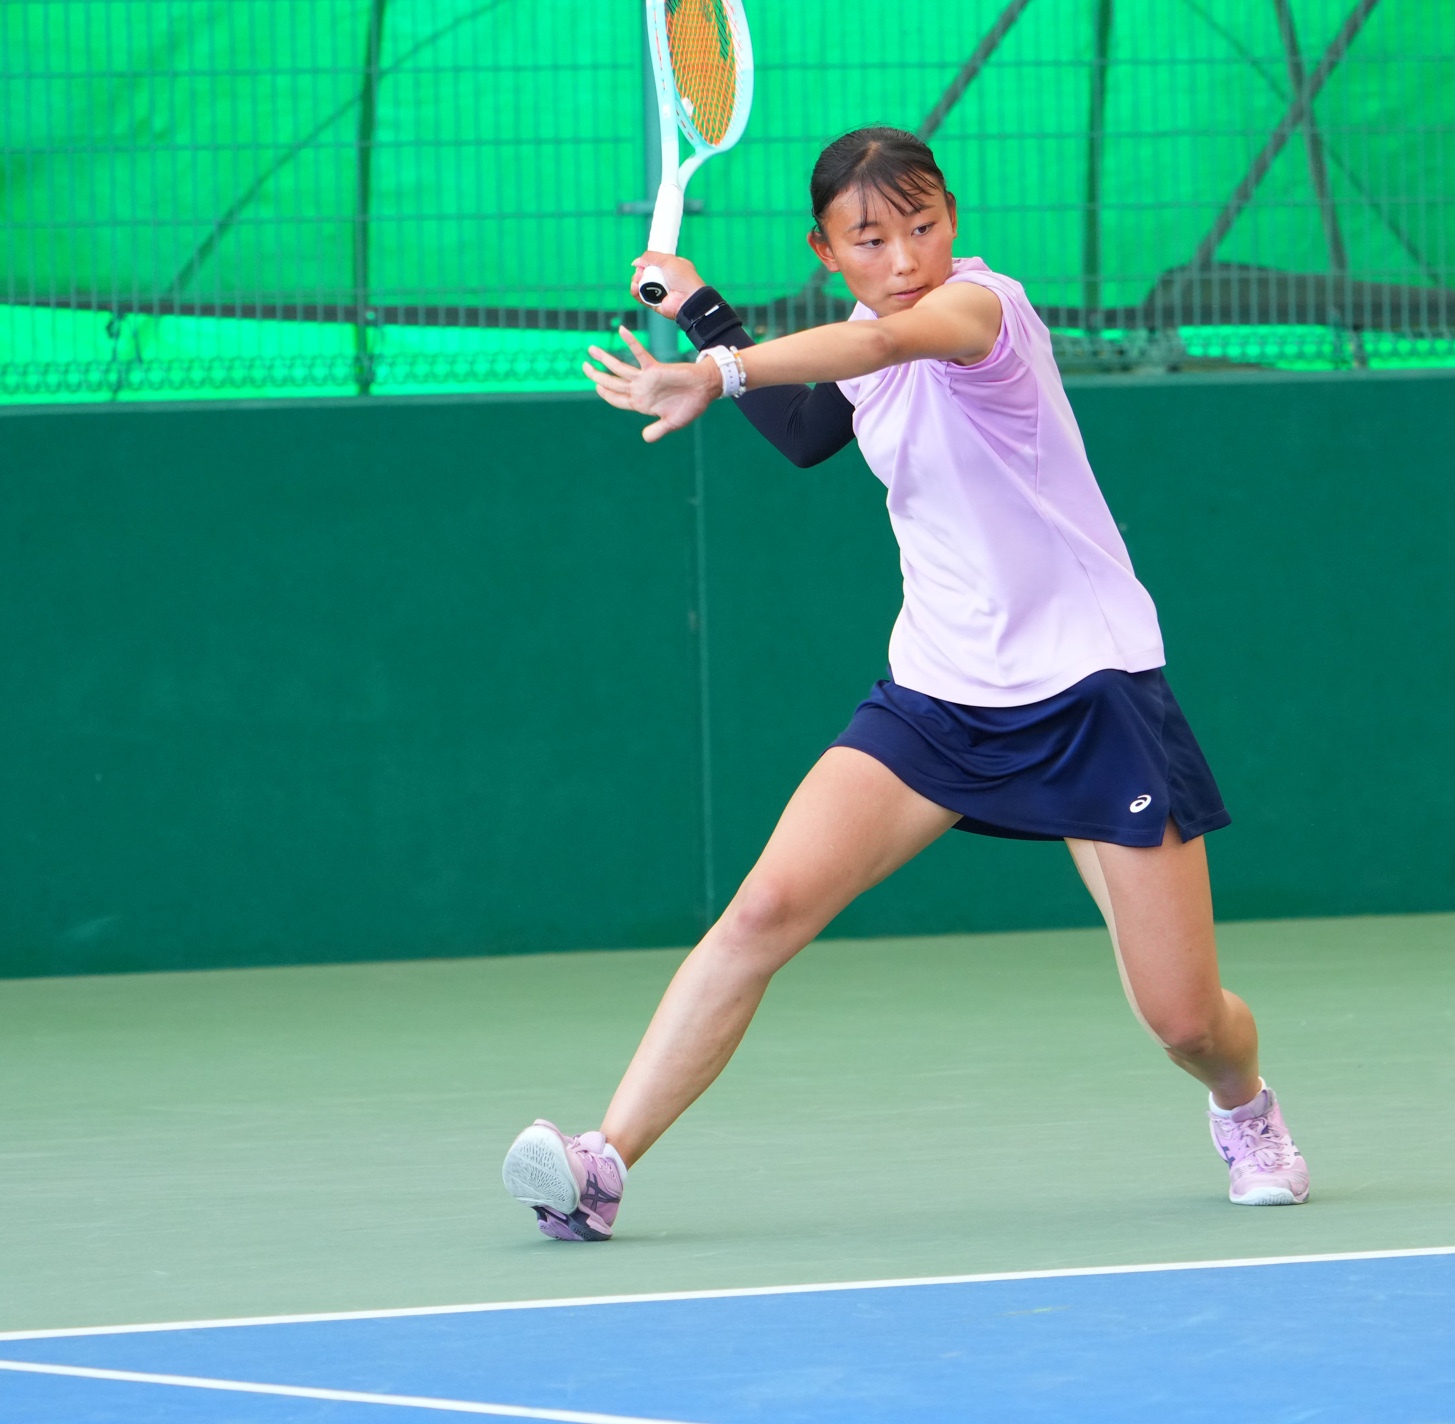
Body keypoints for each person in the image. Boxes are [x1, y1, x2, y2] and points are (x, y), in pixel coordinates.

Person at [500, 127, 1307, 1241]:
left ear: (952, 221)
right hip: (935, 694)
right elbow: (803, 430)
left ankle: (1245, 1107)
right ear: (827, 251)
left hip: (1090, 690)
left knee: (1184, 1021)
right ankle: (602, 1164)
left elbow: (881, 345)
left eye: (922, 225)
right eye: (871, 239)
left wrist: (716, 368)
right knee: (763, 911)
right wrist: (700, 310)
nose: (905, 257)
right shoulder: (856, 340)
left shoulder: (983, 310)